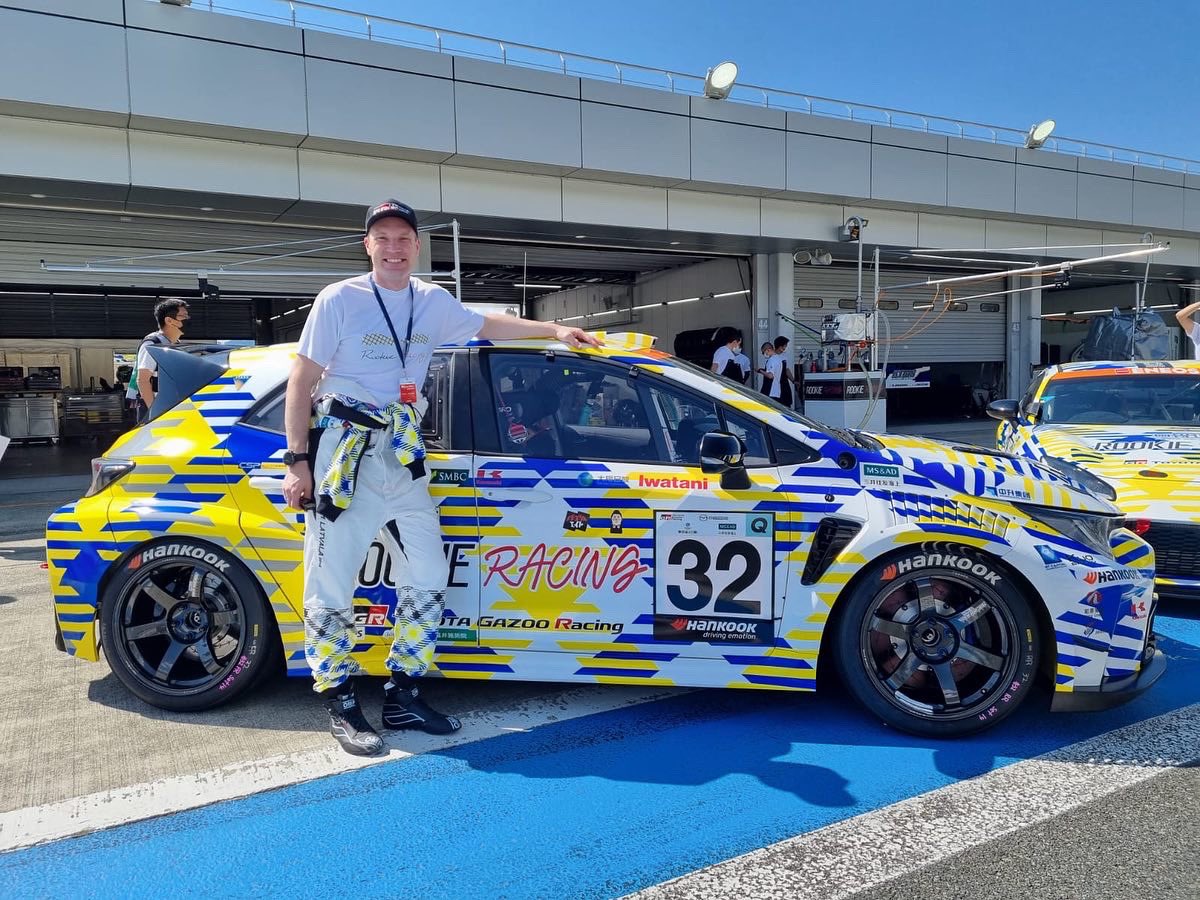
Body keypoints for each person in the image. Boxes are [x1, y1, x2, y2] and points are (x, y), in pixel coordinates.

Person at [282, 198, 600, 757]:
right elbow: (301, 378)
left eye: (403, 238)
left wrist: (553, 328)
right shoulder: (340, 298)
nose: (394, 247)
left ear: (417, 246)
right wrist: (296, 461)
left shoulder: (431, 300)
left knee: (428, 575)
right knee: (330, 586)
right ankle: (341, 702)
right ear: (368, 245)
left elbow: (488, 324)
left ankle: (403, 694)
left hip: (403, 458)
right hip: (345, 456)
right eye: (383, 238)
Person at [125, 299, 190, 423]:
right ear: (169, 320)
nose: (187, 319)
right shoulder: (152, 343)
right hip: (155, 411)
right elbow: (143, 380)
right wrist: (155, 413)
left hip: (172, 408)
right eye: (183, 316)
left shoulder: (176, 344)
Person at [766, 335, 793, 408]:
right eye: (784, 346)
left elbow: (786, 369)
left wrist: (793, 380)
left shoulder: (784, 356)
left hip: (784, 383)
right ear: (780, 346)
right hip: (775, 384)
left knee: (787, 404)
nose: (785, 348)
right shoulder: (771, 357)